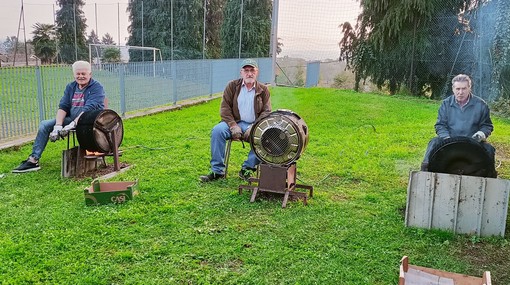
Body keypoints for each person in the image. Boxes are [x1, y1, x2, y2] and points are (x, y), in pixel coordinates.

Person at [12, 60, 105, 173]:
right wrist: (58, 125)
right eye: (78, 74)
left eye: (83, 74)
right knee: (45, 124)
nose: (80, 76)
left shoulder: (97, 87)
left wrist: (73, 124)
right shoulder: (70, 87)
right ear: (74, 74)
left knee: (82, 119)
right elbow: (63, 106)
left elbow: (88, 108)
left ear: (90, 74)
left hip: (90, 121)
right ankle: (33, 160)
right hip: (71, 119)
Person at [200, 58, 272, 182]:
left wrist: (254, 127)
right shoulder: (232, 86)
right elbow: (225, 108)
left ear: (257, 72)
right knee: (217, 131)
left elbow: (266, 112)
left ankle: (247, 169)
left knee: (265, 138)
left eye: (252, 70)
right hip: (233, 122)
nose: (249, 73)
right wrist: (233, 125)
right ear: (241, 72)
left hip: (253, 124)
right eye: (246, 70)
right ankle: (217, 171)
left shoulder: (263, 89)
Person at [421, 74, 495, 171]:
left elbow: (487, 125)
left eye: (464, 88)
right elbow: (440, 125)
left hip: (472, 143)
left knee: (489, 149)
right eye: (458, 89)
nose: (460, 92)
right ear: (453, 89)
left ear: (470, 88)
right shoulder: (446, 104)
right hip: (449, 141)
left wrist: (480, 135)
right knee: (434, 142)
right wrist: (447, 139)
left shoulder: (481, 105)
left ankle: (489, 177)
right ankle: (424, 172)